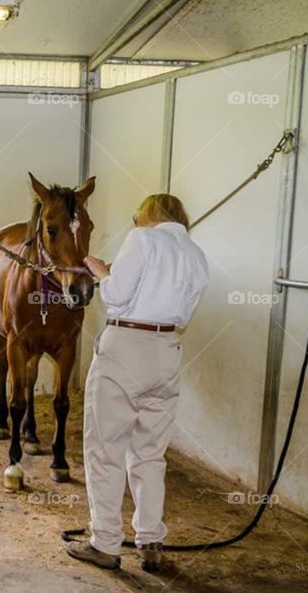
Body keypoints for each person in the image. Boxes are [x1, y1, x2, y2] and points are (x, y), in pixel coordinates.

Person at [67, 193, 209, 573]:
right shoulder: (195, 254)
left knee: (104, 448)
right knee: (149, 451)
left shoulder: (141, 238)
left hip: (126, 347)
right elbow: (181, 307)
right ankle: (150, 539)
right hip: (167, 350)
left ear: (147, 214)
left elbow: (115, 295)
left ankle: (106, 543)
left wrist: (100, 270)